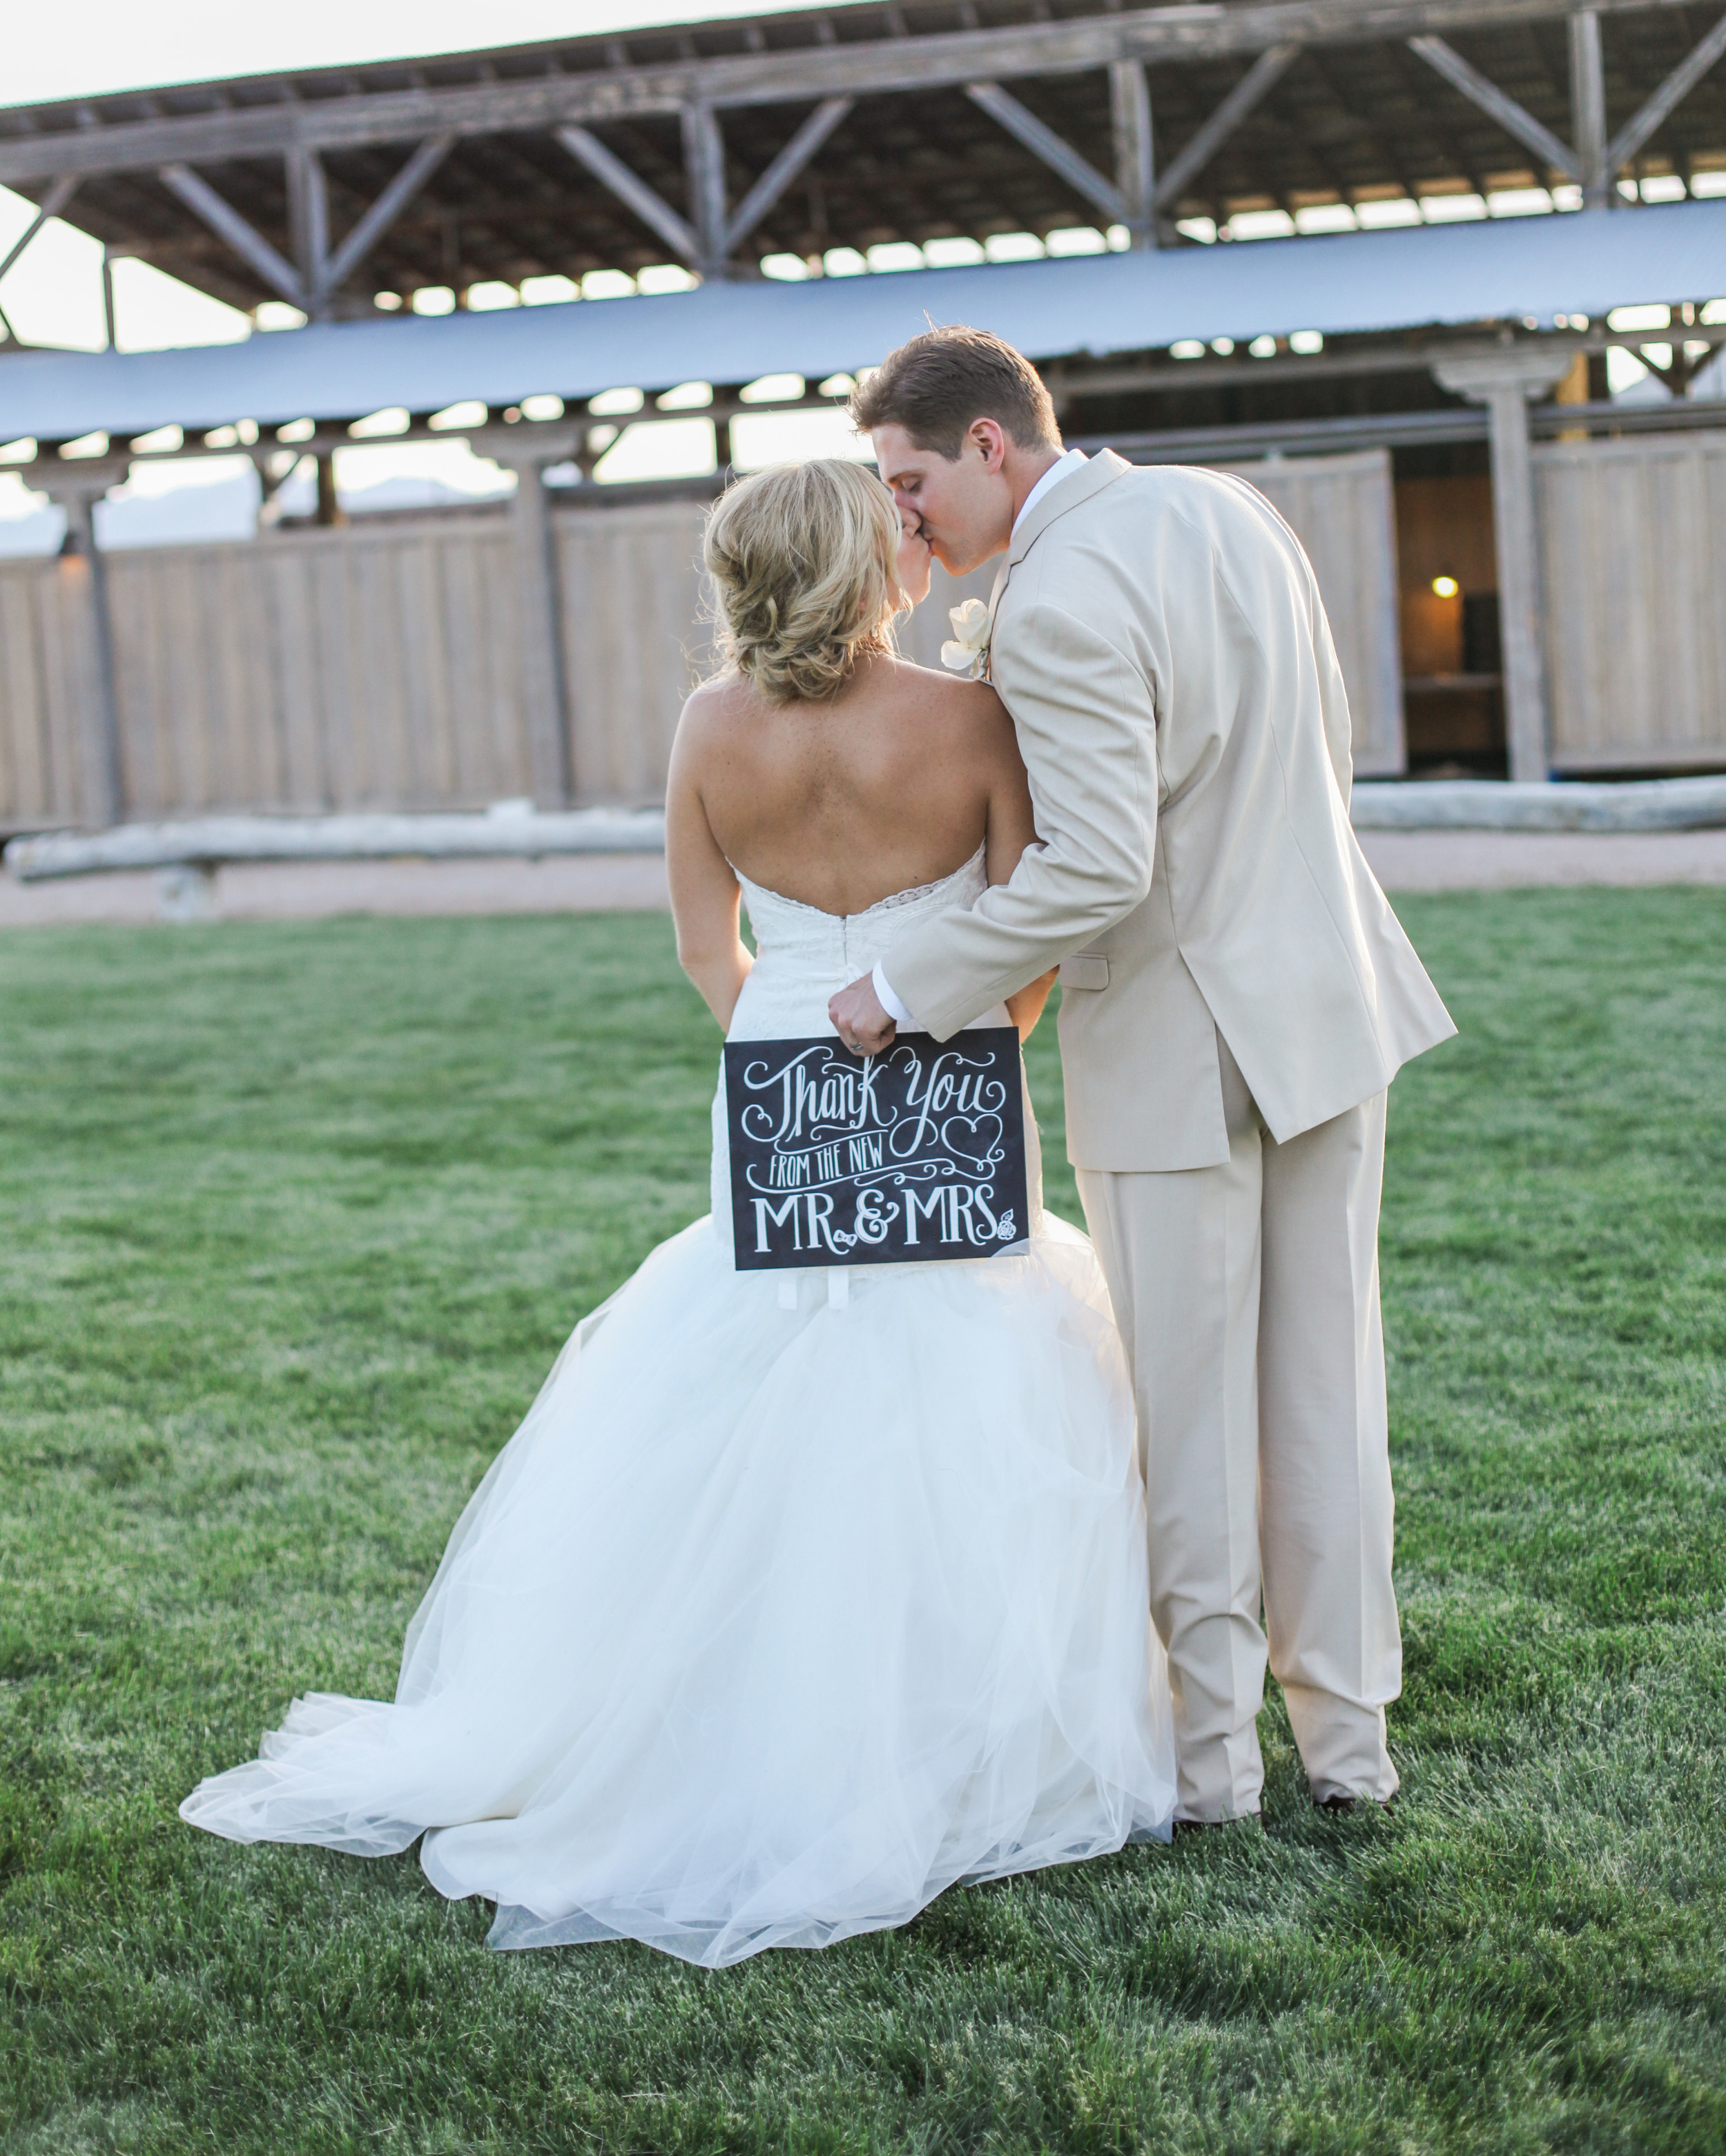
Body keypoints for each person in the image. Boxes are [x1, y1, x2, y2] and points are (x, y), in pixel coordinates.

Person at [180, 458, 1176, 1967]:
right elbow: (1020, 927)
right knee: (976, 1358)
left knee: (765, 1365)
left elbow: (704, 952)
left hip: (776, 1068)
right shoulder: (969, 721)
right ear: (864, 572)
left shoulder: (707, 730)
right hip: (945, 1064)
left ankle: (725, 1714)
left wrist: (777, 1038)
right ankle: (947, 1734)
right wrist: (961, 1042)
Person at [830, 328, 1455, 1827]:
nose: (902, 521)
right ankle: (1350, 1749)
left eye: (908, 483)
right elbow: (1323, 748)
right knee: (1324, 1386)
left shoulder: (1047, 603)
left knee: (1190, 1409)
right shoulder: (1230, 511)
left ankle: (1212, 1767)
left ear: (989, 445)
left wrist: (908, 987)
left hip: (1176, 1042)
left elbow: (1097, 867)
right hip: (1325, 1001)